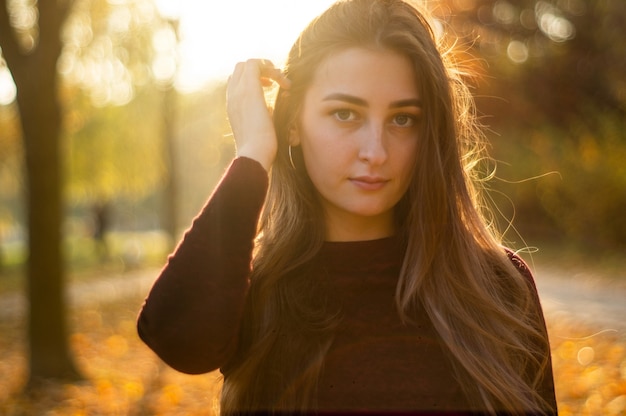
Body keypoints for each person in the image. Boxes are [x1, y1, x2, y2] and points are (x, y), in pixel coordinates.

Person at [137, 0, 558, 414]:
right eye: (345, 114)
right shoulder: (255, 289)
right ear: (292, 125)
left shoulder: (497, 288)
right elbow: (179, 343)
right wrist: (252, 154)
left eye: (403, 118)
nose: (375, 151)